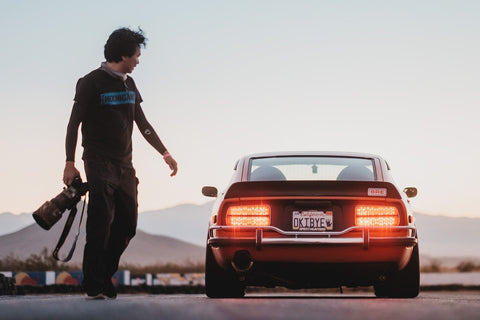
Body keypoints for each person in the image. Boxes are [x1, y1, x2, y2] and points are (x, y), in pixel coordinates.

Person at [63, 27, 178, 299]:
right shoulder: (90, 82)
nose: (139, 60)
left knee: (128, 224)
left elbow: (143, 123)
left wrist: (165, 153)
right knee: (100, 221)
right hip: (98, 161)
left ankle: (103, 274)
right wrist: (69, 162)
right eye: (137, 55)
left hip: (125, 166)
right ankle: (94, 283)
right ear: (124, 54)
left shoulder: (129, 83)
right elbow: (73, 124)